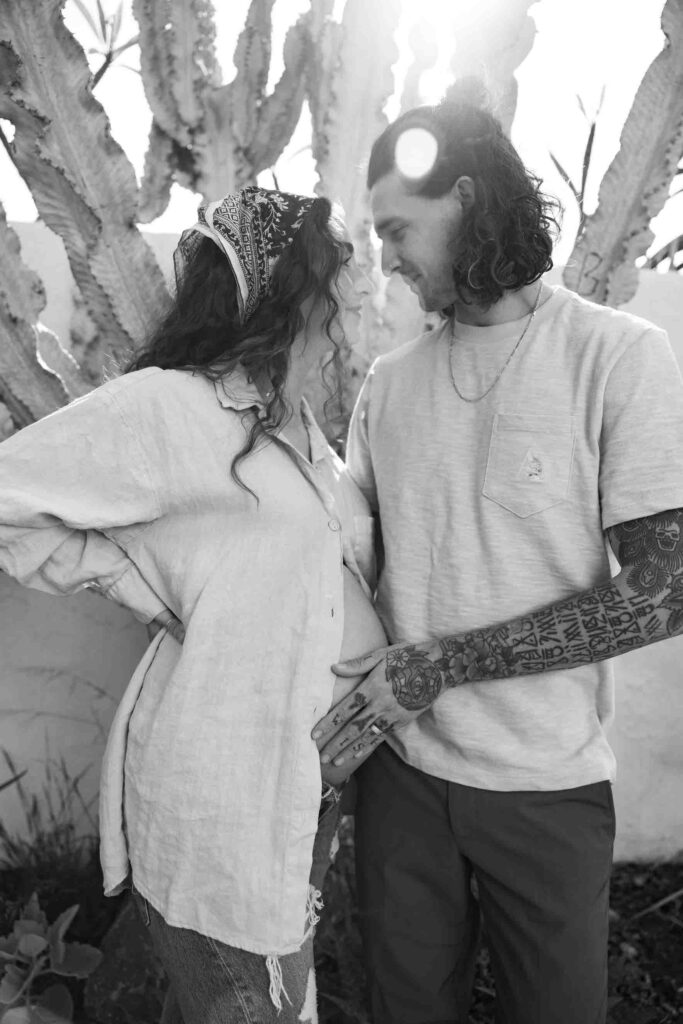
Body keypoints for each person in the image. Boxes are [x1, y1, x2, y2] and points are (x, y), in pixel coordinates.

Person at [312, 79, 683, 1024]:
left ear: (466, 199)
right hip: (401, 777)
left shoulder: (614, 356)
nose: (386, 260)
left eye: (398, 230)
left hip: (544, 787)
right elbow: (347, 565)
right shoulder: (389, 384)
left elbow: (666, 588)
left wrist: (448, 663)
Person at [0, 186, 387, 1023]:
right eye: (333, 289)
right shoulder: (169, 407)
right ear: (290, 294)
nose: (344, 317)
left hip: (299, 795)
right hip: (222, 796)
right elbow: (9, 501)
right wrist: (142, 591)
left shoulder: (293, 422)